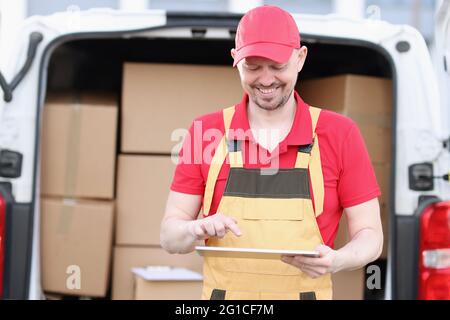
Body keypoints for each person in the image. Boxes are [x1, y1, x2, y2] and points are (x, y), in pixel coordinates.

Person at [160, 5, 383, 300]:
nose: (265, 80)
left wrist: (338, 259)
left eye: (277, 66)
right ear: (235, 61)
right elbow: (170, 238)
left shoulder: (339, 133)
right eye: (252, 66)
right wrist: (195, 228)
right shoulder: (205, 131)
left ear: (300, 58)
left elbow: (371, 236)